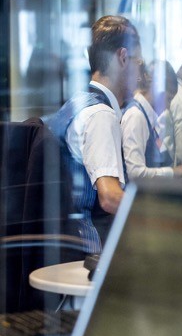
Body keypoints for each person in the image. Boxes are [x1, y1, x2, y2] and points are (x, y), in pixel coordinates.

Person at [44, 15, 142, 253]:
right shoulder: (100, 115)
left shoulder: (77, 103)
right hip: (86, 249)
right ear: (123, 57)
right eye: (138, 63)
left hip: (64, 242)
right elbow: (109, 198)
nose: (140, 75)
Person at [121, 60, 182, 179]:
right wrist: (173, 172)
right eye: (168, 99)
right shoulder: (136, 116)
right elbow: (135, 173)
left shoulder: (149, 120)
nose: (168, 107)